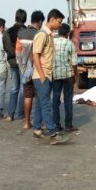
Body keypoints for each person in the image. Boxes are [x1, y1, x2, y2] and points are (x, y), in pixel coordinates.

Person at [31, 9, 70, 145]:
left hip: (46, 74)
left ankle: (37, 129)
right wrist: (42, 76)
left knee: (41, 103)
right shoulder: (42, 35)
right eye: (59, 21)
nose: (60, 25)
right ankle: (52, 132)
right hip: (42, 75)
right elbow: (35, 54)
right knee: (46, 103)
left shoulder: (49, 35)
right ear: (52, 19)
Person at [17, 11, 43, 130]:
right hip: (37, 71)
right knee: (39, 97)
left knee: (27, 96)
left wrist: (23, 68)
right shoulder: (39, 34)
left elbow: (17, 52)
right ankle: (40, 122)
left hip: (25, 71)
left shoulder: (21, 33)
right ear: (40, 21)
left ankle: (27, 123)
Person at [51, 22, 77, 132]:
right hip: (68, 75)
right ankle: (68, 125)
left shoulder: (53, 42)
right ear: (67, 33)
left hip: (55, 75)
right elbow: (74, 63)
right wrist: (75, 76)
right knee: (67, 100)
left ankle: (56, 124)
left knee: (55, 100)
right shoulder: (70, 44)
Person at [3, 9, 25, 122]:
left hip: (12, 62)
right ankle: (21, 113)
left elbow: (6, 47)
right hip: (24, 63)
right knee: (22, 88)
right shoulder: (26, 31)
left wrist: (13, 53)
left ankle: (10, 114)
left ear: (15, 17)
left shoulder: (8, 32)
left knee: (14, 88)